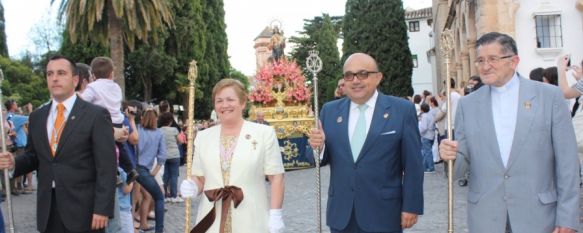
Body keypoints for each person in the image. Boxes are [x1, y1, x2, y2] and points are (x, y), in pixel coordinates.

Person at [439, 32, 580, 233]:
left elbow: (568, 162)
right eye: (480, 60)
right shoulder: (467, 105)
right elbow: (460, 168)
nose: (485, 66)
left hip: (539, 216)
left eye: (492, 59)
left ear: (514, 61)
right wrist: (449, 156)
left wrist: (568, 217)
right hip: (486, 218)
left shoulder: (549, 97)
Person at [0, 55, 117, 233]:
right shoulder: (37, 117)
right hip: (48, 211)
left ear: (75, 79)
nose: (54, 78)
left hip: (84, 212)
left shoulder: (95, 115)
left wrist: (102, 209)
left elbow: (106, 167)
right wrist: (14, 162)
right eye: (50, 74)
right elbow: (34, 157)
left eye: (61, 73)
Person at [308, 53, 424, 233]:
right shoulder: (329, 112)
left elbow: (413, 165)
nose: (355, 80)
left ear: (378, 77)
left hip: (384, 214)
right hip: (342, 215)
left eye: (362, 74)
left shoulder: (401, 110)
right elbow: (315, 159)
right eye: (349, 75)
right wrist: (319, 147)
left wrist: (411, 205)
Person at [180, 79, 285, 233]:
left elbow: (276, 177)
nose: (225, 105)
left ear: (242, 103)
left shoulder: (263, 134)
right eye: (219, 101)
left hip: (251, 217)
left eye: (230, 99)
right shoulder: (203, 137)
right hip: (212, 218)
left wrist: (276, 213)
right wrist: (193, 186)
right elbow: (200, 177)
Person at [81, 56, 138, 184]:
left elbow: (82, 102)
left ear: (93, 74)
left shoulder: (93, 87)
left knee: (104, 150)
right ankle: (130, 169)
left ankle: (115, 174)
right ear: (111, 74)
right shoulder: (116, 87)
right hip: (118, 120)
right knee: (121, 148)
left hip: (104, 121)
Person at [135, 108, 166, 233]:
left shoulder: (137, 129)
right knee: (159, 197)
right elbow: (162, 155)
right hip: (143, 170)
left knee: (134, 200)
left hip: (132, 168)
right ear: (156, 119)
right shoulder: (158, 133)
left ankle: (137, 224)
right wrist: (154, 171)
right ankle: (159, 230)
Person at [159, 112, 184, 203]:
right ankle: (174, 195)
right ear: (170, 121)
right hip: (174, 155)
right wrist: (175, 144)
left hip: (164, 155)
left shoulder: (159, 130)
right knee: (174, 176)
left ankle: (165, 195)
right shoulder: (174, 130)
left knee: (165, 176)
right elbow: (181, 141)